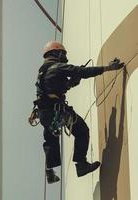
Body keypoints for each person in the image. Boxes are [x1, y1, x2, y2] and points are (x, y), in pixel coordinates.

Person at [34, 41, 125, 184]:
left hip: (45, 113)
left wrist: (71, 83)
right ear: (56, 53)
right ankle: (81, 164)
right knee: (82, 130)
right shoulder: (57, 67)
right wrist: (108, 68)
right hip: (56, 111)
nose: (65, 57)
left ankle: (49, 171)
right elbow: (82, 72)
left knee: (50, 140)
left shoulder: (44, 71)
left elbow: (55, 87)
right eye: (63, 54)